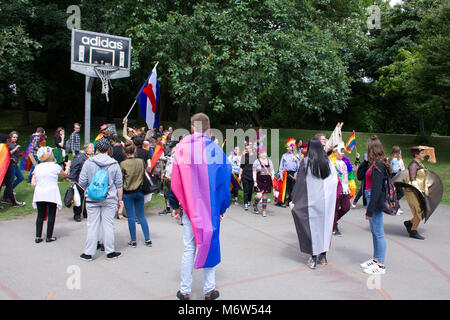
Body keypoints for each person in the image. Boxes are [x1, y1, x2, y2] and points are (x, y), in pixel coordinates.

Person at [171, 112, 231, 300]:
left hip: (190, 207)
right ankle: (208, 290)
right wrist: (222, 207)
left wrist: (175, 205)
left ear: (192, 127)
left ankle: (185, 290)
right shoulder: (215, 149)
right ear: (208, 127)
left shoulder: (182, 148)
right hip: (210, 208)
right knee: (210, 244)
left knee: (189, 248)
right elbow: (224, 179)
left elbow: (175, 179)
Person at [290, 137, 338, 269]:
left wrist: (294, 199)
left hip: (311, 202)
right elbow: (334, 181)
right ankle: (323, 255)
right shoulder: (328, 162)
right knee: (325, 227)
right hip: (326, 202)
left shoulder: (306, 162)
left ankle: (313, 257)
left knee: (311, 228)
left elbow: (300, 184)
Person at [79, 138, 123, 262]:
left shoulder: (89, 162)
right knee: (108, 224)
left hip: (92, 198)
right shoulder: (114, 164)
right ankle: (110, 251)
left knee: (92, 225)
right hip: (109, 198)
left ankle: (88, 253)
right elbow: (119, 184)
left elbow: (82, 181)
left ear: (96, 149)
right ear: (109, 148)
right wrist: (120, 201)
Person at [357, 136, 390, 275]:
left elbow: (376, 189)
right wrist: (364, 161)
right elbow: (359, 176)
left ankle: (381, 264)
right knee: (374, 232)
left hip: (374, 200)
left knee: (379, 232)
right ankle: (376, 259)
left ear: (372, 150)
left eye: (368, 149)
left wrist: (369, 210)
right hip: (370, 197)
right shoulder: (372, 164)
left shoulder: (379, 165)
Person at [394, 146, 442, 240]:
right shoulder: (413, 165)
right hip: (412, 191)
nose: (424, 155)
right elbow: (412, 179)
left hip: (419, 190)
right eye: (422, 153)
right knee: (420, 211)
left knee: (422, 210)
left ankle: (410, 223)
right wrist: (420, 191)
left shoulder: (419, 164)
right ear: (416, 155)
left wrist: (426, 189)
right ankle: (413, 231)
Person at [31, 147, 70, 243]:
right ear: (49, 156)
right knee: (51, 214)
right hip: (51, 192)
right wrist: (68, 166)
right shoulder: (55, 166)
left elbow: (33, 182)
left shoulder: (37, 167)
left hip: (40, 193)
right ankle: (49, 236)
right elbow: (64, 175)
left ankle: (38, 236)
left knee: (40, 214)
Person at [120, 141, 152, 247]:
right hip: (139, 191)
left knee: (131, 217)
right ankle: (147, 239)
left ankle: (133, 240)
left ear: (124, 152)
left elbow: (121, 179)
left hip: (128, 192)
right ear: (135, 150)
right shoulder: (141, 162)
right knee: (141, 216)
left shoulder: (123, 164)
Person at [68, 143, 95, 222]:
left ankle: (86, 213)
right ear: (86, 149)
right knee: (79, 198)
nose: (93, 149)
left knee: (89, 198)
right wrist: (73, 179)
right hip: (79, 182)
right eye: (91, 148)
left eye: (93, 148)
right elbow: (74, 167)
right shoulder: (80, 157)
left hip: (90, 182)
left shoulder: (94, 157)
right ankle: (77, 214)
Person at [330, 142, 352, 237]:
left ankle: (332, 222)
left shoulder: (344, 163)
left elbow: (350, 173)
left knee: (346, 207)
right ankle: (334, 226)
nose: (343, 153)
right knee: (334, 209)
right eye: (341, 151)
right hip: (336, 189)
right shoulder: (331, 163)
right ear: (335, 152)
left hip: (345, 189)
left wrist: (357, 160)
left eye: (343, 151)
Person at [0, 134, 25, 207]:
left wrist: (10, 159)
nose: (9, 141)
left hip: (6, 170)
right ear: (5, 140)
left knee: (9, 185)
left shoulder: (2, 146)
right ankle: (12, 202)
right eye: (8, 139)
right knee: (8, 185)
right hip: (4, 170)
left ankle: (14, 202)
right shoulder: (3, 147)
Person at [252, 146, 275, 217]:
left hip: (267, 180)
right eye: (262, 153)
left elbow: (272, 170)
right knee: (259, 195)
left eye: (265, 153)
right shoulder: (256, 161)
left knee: (265, 195)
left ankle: (264, 210)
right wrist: (255, 181)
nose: (264, 154)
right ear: (259, 154)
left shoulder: (269, 161)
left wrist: (273, 176)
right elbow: (254, 172)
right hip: (259, 180)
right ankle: (255, 204)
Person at [278, 139, 300, 207]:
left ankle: (290, 201)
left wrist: (296, 174)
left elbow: (298, 166)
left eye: (288, 147)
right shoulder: (284, 155)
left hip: (293, 173)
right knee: (285, 188)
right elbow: (281, 166)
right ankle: (283, 201)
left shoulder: (296, 156)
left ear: (292, 147)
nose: (287, 148)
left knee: (292, 188)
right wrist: (281, 175)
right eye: (287, 147)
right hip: (285, 173)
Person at [159, 140, 178, 215]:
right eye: (170, 147)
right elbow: (168, 164)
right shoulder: (170, 153)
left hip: (173, 177)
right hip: (167, 176)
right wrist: (163, 172)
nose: (171, 148)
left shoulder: (178, 154)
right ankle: (168, 209)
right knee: (166, 194)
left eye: (172, 147)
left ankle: (176, 209)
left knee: (174, 194)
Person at [388, 146, 405, 214]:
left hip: (394, 178)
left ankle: (396, 206)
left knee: (396, 193)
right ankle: (394, 205)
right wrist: (399, 168)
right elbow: (395, 170)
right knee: (400, 193)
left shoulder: (390, 159)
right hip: (395, 178)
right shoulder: (394, 160)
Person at [239, 143, 255, 211]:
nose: (246, 149)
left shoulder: (255, 157)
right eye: (246, 148)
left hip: (252, 175)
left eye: (248, 148)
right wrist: (240, 175)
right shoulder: (244, 156)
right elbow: (241, 167)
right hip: (245, 175)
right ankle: (245, 203)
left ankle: (249, 201)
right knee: (246, 190)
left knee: (250, 190)